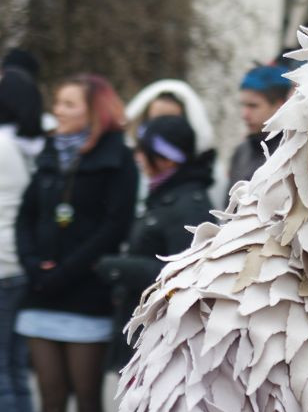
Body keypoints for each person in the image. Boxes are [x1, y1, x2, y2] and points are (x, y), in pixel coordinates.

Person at [15, 74, 138, 412]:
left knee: (86, 398)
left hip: (87, 292)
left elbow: (114, 226)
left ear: (94, 112)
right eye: (58, 103)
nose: (58, 111)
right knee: (51, 398)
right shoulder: (51, 152)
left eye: (68, 104)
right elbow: (26, 215)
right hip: (41, 291)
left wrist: (65, 271)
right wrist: (33, 265)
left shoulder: (118, 158)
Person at [95, 115, 213, 370]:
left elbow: (184, 277)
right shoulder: (164, 195)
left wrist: (117, 267)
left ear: (166, 159)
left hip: (163, 341)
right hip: (146, 331)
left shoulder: (188, 206)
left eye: (142, 150)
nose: (137, 156)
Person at [0, 68, 44, 412]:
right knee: (13, 370)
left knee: (3, 375)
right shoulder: (27, 145)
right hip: (16, 269)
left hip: (2, 271)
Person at [125, 79, 225, 207]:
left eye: (169, 120)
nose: (159, 126)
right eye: (155, 119)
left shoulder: (208, 172)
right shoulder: (132, 162)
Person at [227, 65, 292, 198]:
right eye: (243, 105)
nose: (244, 114)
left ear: (279, 106)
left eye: (253, 106)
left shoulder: (293, 152)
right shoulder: (241, 152)